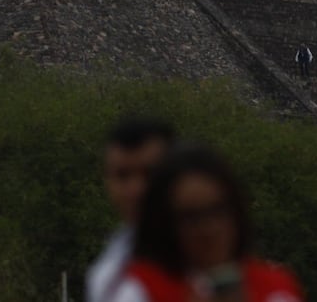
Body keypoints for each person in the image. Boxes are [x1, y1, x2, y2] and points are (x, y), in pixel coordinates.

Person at [112, 145, 304, 302]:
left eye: (218, 211)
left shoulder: (277, 287)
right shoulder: (137, 290)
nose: (208, 227)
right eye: (190, 217)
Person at [85, 119, 176, 302]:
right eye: (122, 175)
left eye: (149, 173)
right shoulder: (105, 273)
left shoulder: (210, 259)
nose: (136, 189)